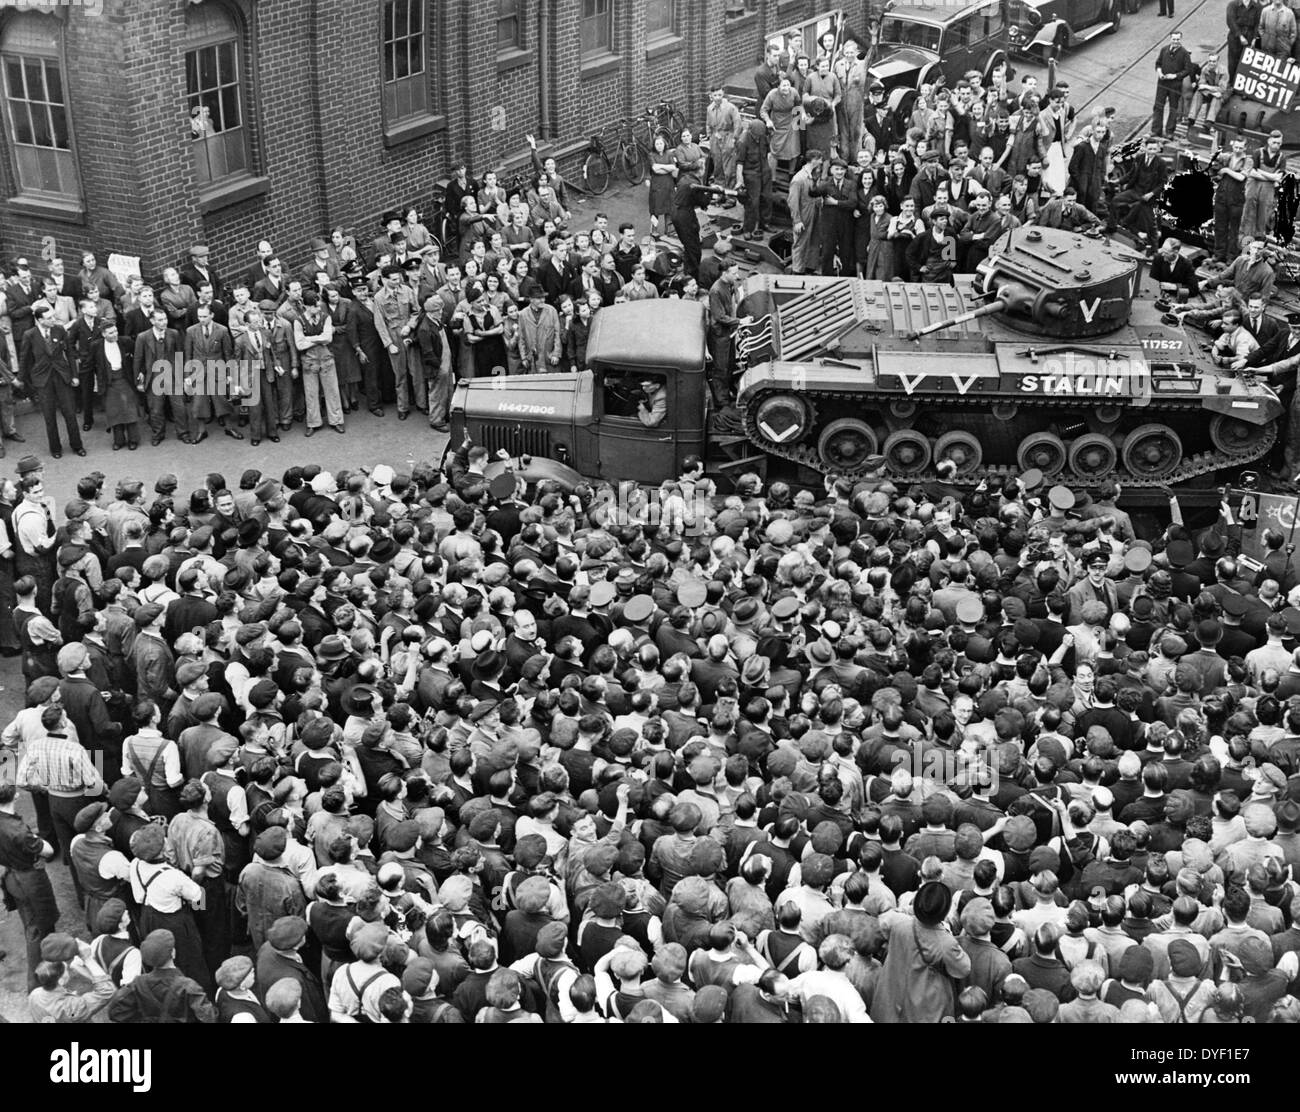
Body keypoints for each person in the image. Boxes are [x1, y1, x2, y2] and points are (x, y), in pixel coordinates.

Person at [20, 304, 83, 460]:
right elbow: (24, 359)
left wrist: (74, 375)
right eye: (49, 318)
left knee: (70, 413)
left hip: (62, 376)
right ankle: (55, 448)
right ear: (40, 320)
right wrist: (22, 379)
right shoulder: (30, 335)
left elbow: (69, 352)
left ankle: (77, 446)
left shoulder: (59, 330)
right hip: (43, 379)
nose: (53, 320)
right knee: (49, 416)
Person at [735, 118, 774, 240]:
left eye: (760, 135)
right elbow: (739, 163)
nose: (758, 138)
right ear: (750, 131)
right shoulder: (743, 141)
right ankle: (748, 228)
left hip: (764, 171)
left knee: (767, 198)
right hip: (751, 174)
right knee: (752, 203)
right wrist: (740, 180)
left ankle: (765, 223)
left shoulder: (763, 136)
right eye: (756, 136)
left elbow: (768, 152)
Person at [1152, 32, 1193, 138]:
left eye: (1178, 39)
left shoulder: (1184, 53)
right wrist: (1160, 73)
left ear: (1181, 40)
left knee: (1173, 108)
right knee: (1158, 106)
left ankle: (1170, 131)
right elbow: (1158, 63)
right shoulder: (1164, 49)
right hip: (1162, 83)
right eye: (1174, 39)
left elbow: (1187, 70)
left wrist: (1175, 76)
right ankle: (1156, 130)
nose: (1175, 42)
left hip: (1175, 84)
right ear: (1170, 39)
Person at [706, 86, 743, 190]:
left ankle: (730, 194)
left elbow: (738, 124)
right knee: (718, 165)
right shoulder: (710, 108)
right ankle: (719, 191)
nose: (717, 98)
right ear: (711, 96)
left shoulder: (730, 108)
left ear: (723, 94)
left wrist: (734, 139)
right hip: (715, 138)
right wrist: (710, 137)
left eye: (719, 95)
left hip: (728, 136)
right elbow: (708, 123)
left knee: (729, 167)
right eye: (715, 95)